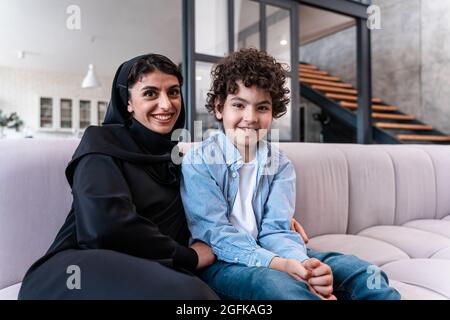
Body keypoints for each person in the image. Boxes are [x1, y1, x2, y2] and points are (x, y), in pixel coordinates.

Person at [180, 48, 401, 300]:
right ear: (220, 108)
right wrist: (284, 267)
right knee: (280, 287)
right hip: (225, 263)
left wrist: (305, 268)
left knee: (364, 272)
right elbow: (217, 237)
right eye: (239, 105)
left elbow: (276, 230)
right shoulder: (199, 161)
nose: (250, 118)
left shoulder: (280, 164)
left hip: (278, 253)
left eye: (262, 107)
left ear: (273, 112)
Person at [18, 54, 218, 300]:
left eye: (173, 92)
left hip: (151, 268)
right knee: (192, 295)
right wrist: (189, 256)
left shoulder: (180, 161)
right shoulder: (100, 143)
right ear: (128, 102)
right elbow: (104, 226)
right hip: (78, 268)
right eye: (150, 93)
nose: (166, 104)